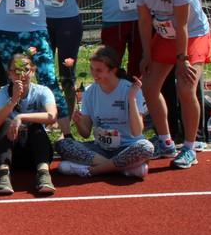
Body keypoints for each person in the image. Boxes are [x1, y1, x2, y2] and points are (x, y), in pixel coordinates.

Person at [134, 0, 211, 169]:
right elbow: (145, 20)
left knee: (186, 89)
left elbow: (183, 24)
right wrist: (147, 54)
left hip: (193, 34)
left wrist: (182, 60)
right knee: (149, 87)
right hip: (165, 35)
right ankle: (165, 142)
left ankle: (189, 147)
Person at [57, 47, 154, 180]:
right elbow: (85, 134)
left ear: (113, 70)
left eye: (99, 70)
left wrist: (131, 99)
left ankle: (93, 170)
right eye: (92, 69)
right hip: (102, 150)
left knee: (146, 147)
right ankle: (123, 168)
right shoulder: (90, 92)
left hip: (128, 147)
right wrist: (78, 122)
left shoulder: (131, 90)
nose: (94, 74)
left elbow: (137, 132)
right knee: (63, 144)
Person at [33, 0, 84, 137]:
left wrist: (71, 4)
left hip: (68, 20)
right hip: (41, 20)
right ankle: (46, 119)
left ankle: (66, 126)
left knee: (67, 74)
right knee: (44, 73)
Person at [0, 52, 57, 196]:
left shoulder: (42, 91)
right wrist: (12, 100)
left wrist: (21, 117)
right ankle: (4, 174)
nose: (21, 75)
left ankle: (43, 174)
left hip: (35, 154)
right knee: (6, 122)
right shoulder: (2, 93)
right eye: (16, 71)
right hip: (11, 156)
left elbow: (52, 116)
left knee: (35, 125)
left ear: (33, 71)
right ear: (9, 73)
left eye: (26, 70)